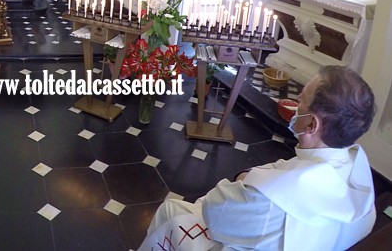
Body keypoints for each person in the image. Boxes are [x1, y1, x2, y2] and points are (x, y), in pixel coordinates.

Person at [140, 66, 376, 251]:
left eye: (300, 102)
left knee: (170, 209)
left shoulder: (266, 201)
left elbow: (216, 214)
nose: (295, 107)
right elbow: (285, 171)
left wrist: (243, 180)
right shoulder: (359, 178)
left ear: (312, 124)